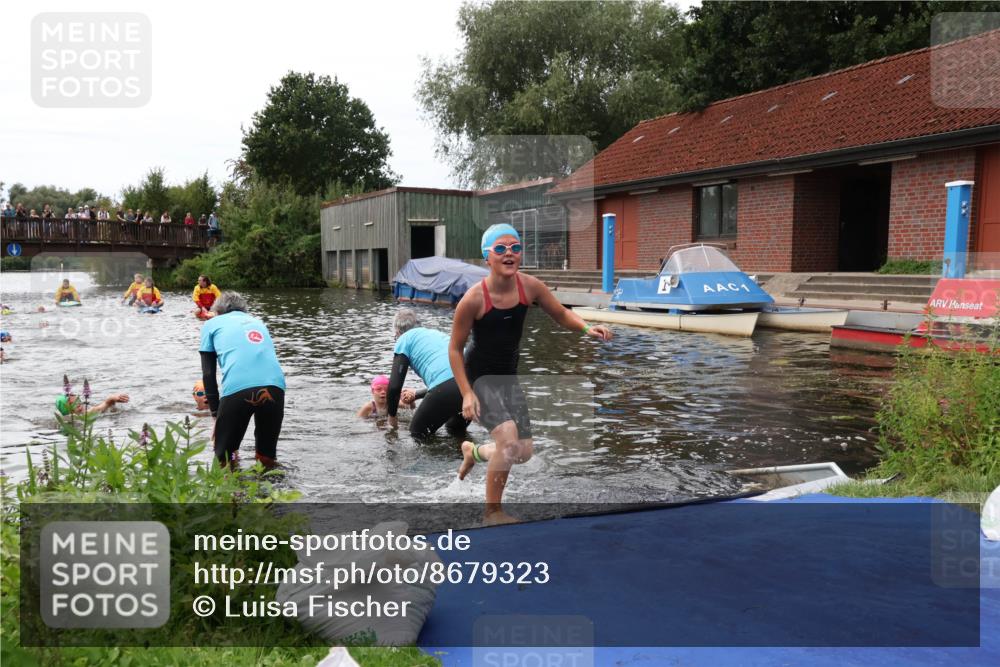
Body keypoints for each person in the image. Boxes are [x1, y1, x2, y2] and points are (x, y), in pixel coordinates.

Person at [449, 224, 613, 524]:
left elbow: (561, 313)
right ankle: (492, 512)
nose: (509, 253)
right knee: (509, 441)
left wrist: (588, 328)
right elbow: (455, 350)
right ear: (487, 257)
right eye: (500, 249)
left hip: (507, 376)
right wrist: (467, 393)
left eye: (515, 247)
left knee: (522, 452)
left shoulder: (530, 287)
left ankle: (474, 451)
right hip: (480, 376)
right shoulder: (473, 299)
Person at [200, 291, 286, 469]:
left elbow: (208, 374)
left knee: (224, 460)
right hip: (275, 386)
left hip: (238, 389)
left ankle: (231, 494)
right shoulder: (257, 322)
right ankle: (271, 493)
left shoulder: (211, 323)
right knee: (266, 458)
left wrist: (216, 415)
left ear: (217, 311)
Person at [386, 308, 468, 438]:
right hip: (474, 384)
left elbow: (394, 387)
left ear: (397, 332)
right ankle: (468, 456)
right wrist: (417, 395)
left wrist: (392, 418)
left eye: (395, 337)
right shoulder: (435, 334)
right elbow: (448, 378)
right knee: (455, 429)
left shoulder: (404, 340)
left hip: (452, 387)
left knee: (417, 432)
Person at [55, 391, 130, 416]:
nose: (78, 404)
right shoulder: (70, 418)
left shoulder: (87, 412)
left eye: (78, 400)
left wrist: (112, 399)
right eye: (72, 403)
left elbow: (104, 405)